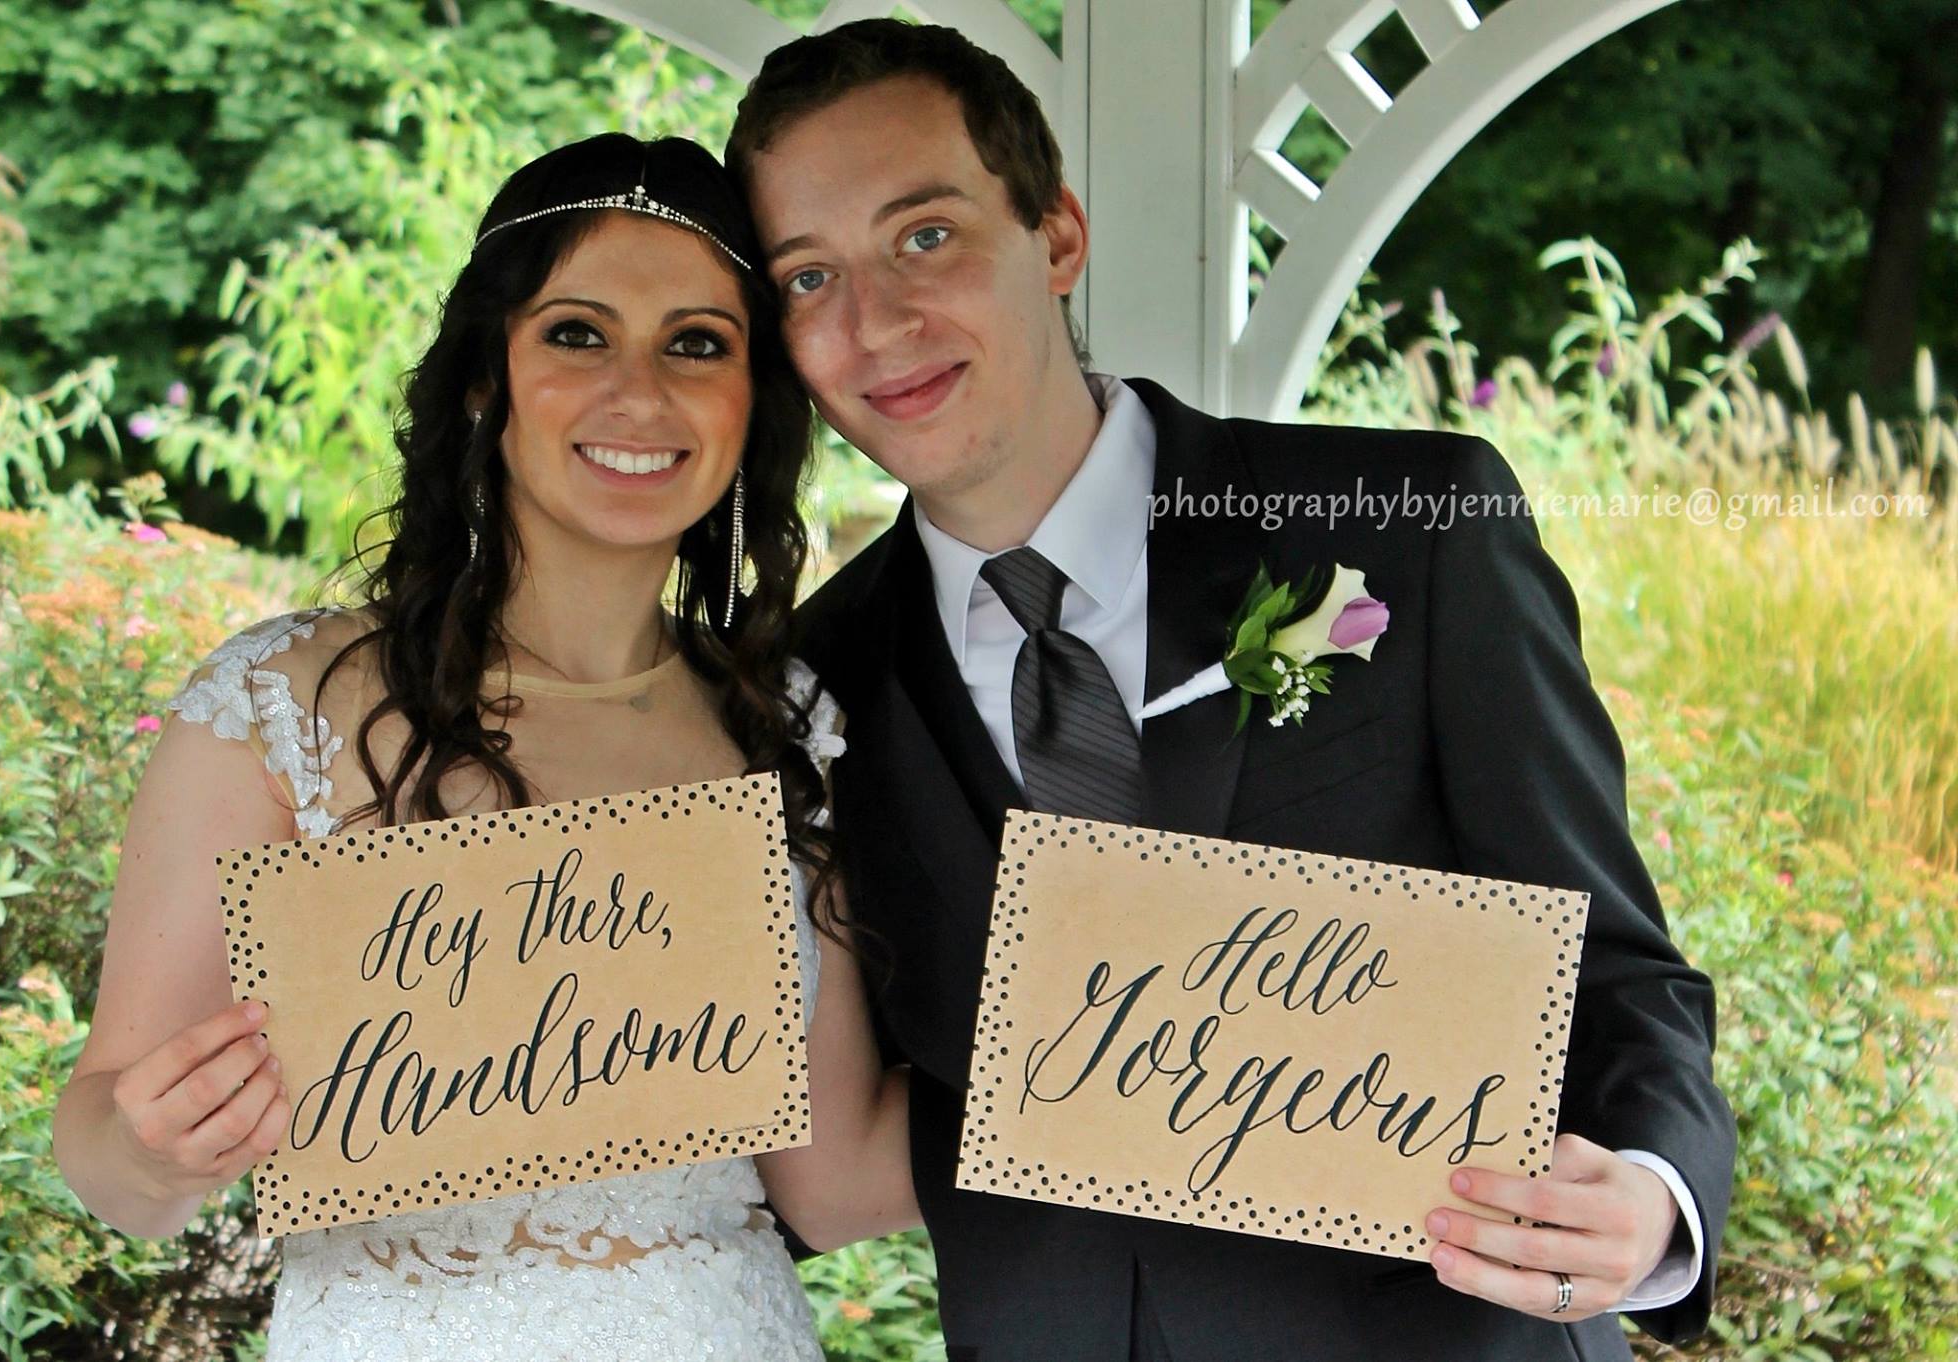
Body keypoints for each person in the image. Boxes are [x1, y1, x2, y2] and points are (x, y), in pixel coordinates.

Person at [726, 19, 1736, 1362]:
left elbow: (1613, 972)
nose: (876, 322)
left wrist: (1656, 1202)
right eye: (806, 277)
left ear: (1059, 234)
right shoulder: (802, 687)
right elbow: (825, 1127)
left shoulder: (1405, 528)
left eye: (926, 236)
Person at [51, 132, 916, 1361]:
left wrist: (1112, 1083)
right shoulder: (276, 707)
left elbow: (831, 1186)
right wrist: (150, 1148)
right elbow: (112, 1166)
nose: (639, 390)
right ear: (481, 379)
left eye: (697, 343)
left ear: (749, 401)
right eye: (575, 332)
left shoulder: (779, 724)